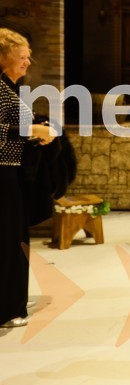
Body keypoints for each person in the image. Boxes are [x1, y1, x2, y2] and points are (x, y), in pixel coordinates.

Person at [0, 29, 55, 328]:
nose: (28, 62)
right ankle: (6, 309)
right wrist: (34, 132)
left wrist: (38, 133)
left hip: (13, 171)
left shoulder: (11, 87)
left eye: (27, 56)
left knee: (15, 239)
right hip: (3, 173)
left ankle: (11, 304)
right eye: (22, 57)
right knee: (8, 242)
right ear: (4, 59)